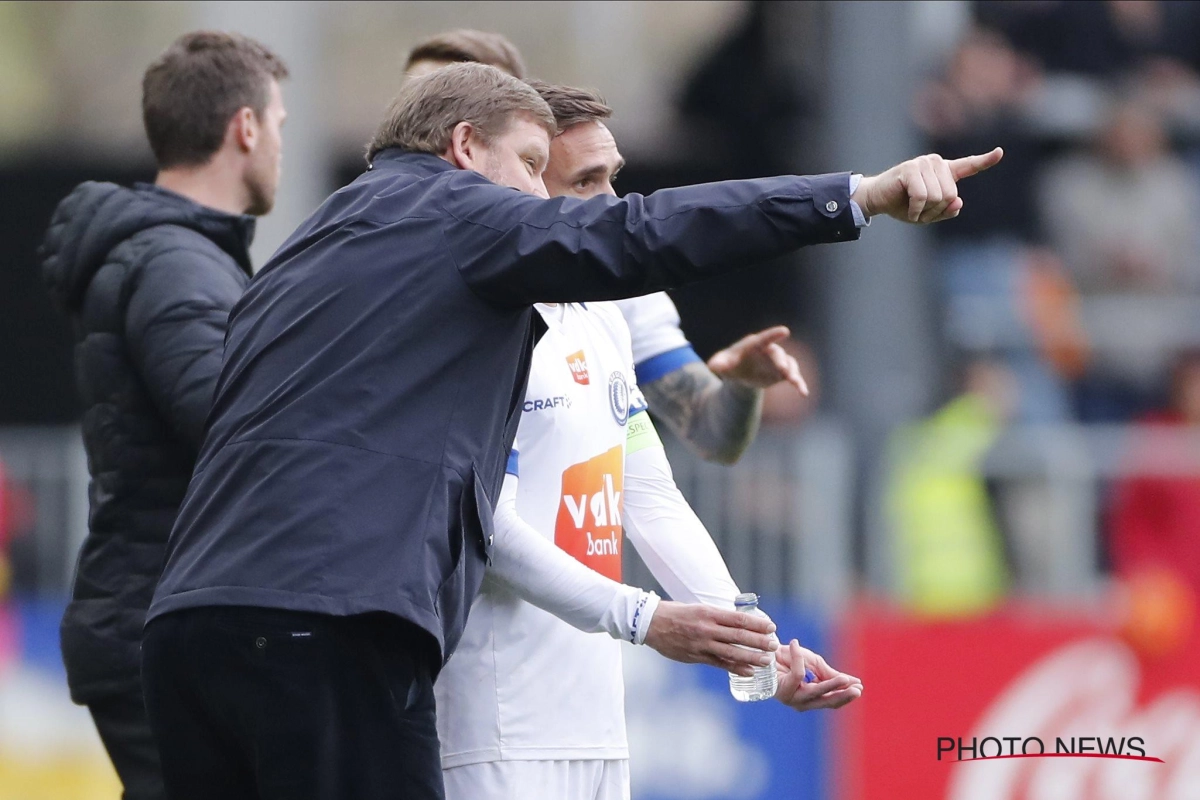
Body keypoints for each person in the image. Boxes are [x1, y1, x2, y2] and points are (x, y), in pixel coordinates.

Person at [142, 62, 999, 800]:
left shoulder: (316, 252)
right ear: (466, 147)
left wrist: (757, 649)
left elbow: (649, 485)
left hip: (198, 626)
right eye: (538, 168)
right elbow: (646, 233)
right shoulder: (464, 236)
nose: (565, 200)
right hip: (370, 647)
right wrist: (857, 196)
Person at [435, 81, 861, 800]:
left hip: (597, 721)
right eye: (586, 181)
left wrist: (753, 645)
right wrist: (645, 619)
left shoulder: (604, 317)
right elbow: (490, 529)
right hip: (494, 725)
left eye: (615, 178)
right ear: (526, 184)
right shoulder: (487, 323)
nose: (612, 205)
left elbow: (648, 496)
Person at [36, 31, 288, 800]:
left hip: (160, 613)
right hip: (159, 621)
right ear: (244, 128)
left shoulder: (183, 256)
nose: (280, 142)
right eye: (279, 123)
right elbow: (232, 433)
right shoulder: (176, 263)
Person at [406, 30, 809, 465]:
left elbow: (710, 434)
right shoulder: (392, 268)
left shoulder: (620, 295)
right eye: (419, 103)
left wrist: (743, 386)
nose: (446, 136)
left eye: (469, 99)